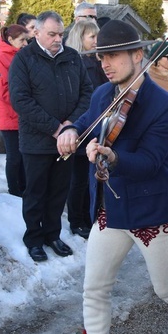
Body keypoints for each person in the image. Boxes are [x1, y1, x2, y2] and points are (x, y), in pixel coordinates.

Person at [53, 20, 168, 334]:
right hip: (112, 208)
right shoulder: (104, 94)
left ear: (139, 55)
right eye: (102, 55)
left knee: (165, 287)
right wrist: (70, 131)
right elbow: (87, 123)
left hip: (152, 211)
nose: (106, 62)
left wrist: (112, 156)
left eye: (115, 55)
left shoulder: (166, 106)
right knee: (95, 287)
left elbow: (152, 162)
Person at [9, 11, 92, 262]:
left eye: (61, 34)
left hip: (66, 141)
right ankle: (34, 238)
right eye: (52, 34)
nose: (58, 39)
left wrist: (70, 125)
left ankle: (52, 234)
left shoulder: (72, 57)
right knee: (35, 192)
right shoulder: (24, 59)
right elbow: (20, 100)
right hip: (37, 141)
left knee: (58, 191)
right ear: (37, 33)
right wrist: (56, 128)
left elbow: (86, 93)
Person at [64, 19, 108, 239]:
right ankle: (77, 220)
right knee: (79, 179)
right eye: (92, 37)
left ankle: (89, 216)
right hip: (84, 125)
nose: (96, 41)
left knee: (90, 177)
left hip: (97, 126)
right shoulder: (78, 64)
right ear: (80, 39)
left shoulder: (97, 61)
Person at [0, 24, 29, 196]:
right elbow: (4, 92)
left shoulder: (18, 55)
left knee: (22, 156)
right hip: (10, 115)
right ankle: (14, 190)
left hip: (21, 114)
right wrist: (25, 102)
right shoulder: (0, 59)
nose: (25, 43)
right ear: (11, 40)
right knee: (14, 157)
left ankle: (23, 186)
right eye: (22, 40)